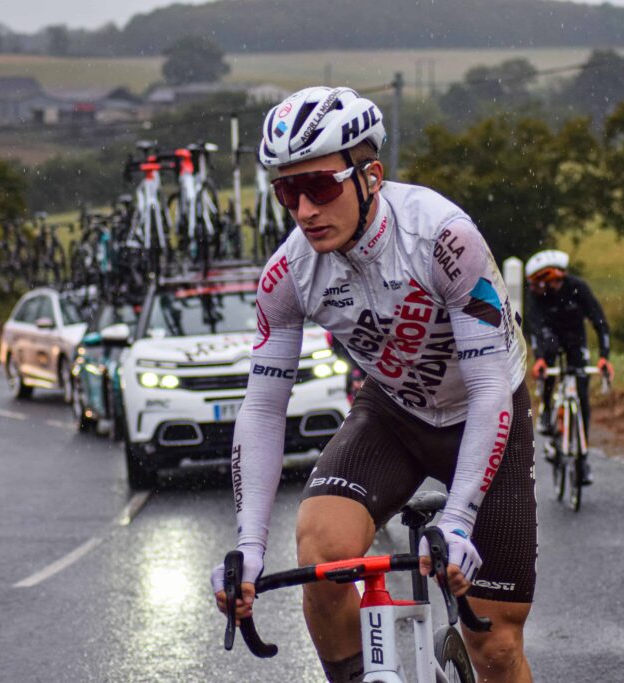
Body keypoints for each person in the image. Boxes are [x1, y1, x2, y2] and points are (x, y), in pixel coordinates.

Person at [211, 86, 536, 682]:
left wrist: (459, 519)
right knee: (322, 556)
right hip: (394, 413)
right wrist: (249, 547)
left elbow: (490, 389)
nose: (304, 209)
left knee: (494, 642)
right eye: (287, 191)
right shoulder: (288, 274)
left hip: (485, 411)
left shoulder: (444, 238)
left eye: (319, 187)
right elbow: (262, 410)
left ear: (371, 177)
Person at [524, 249, 613, 483]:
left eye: (537, 283)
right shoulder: (535, 296)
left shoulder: (577, 287)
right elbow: (535, 328)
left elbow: (600, 321)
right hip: (550, 339)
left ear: (552, 279)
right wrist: (539, 359)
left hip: (575, 340)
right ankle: (546, 409)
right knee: (549, 360)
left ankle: (582, 460)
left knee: (582, 397)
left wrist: (604, 357)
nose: (533, 288)